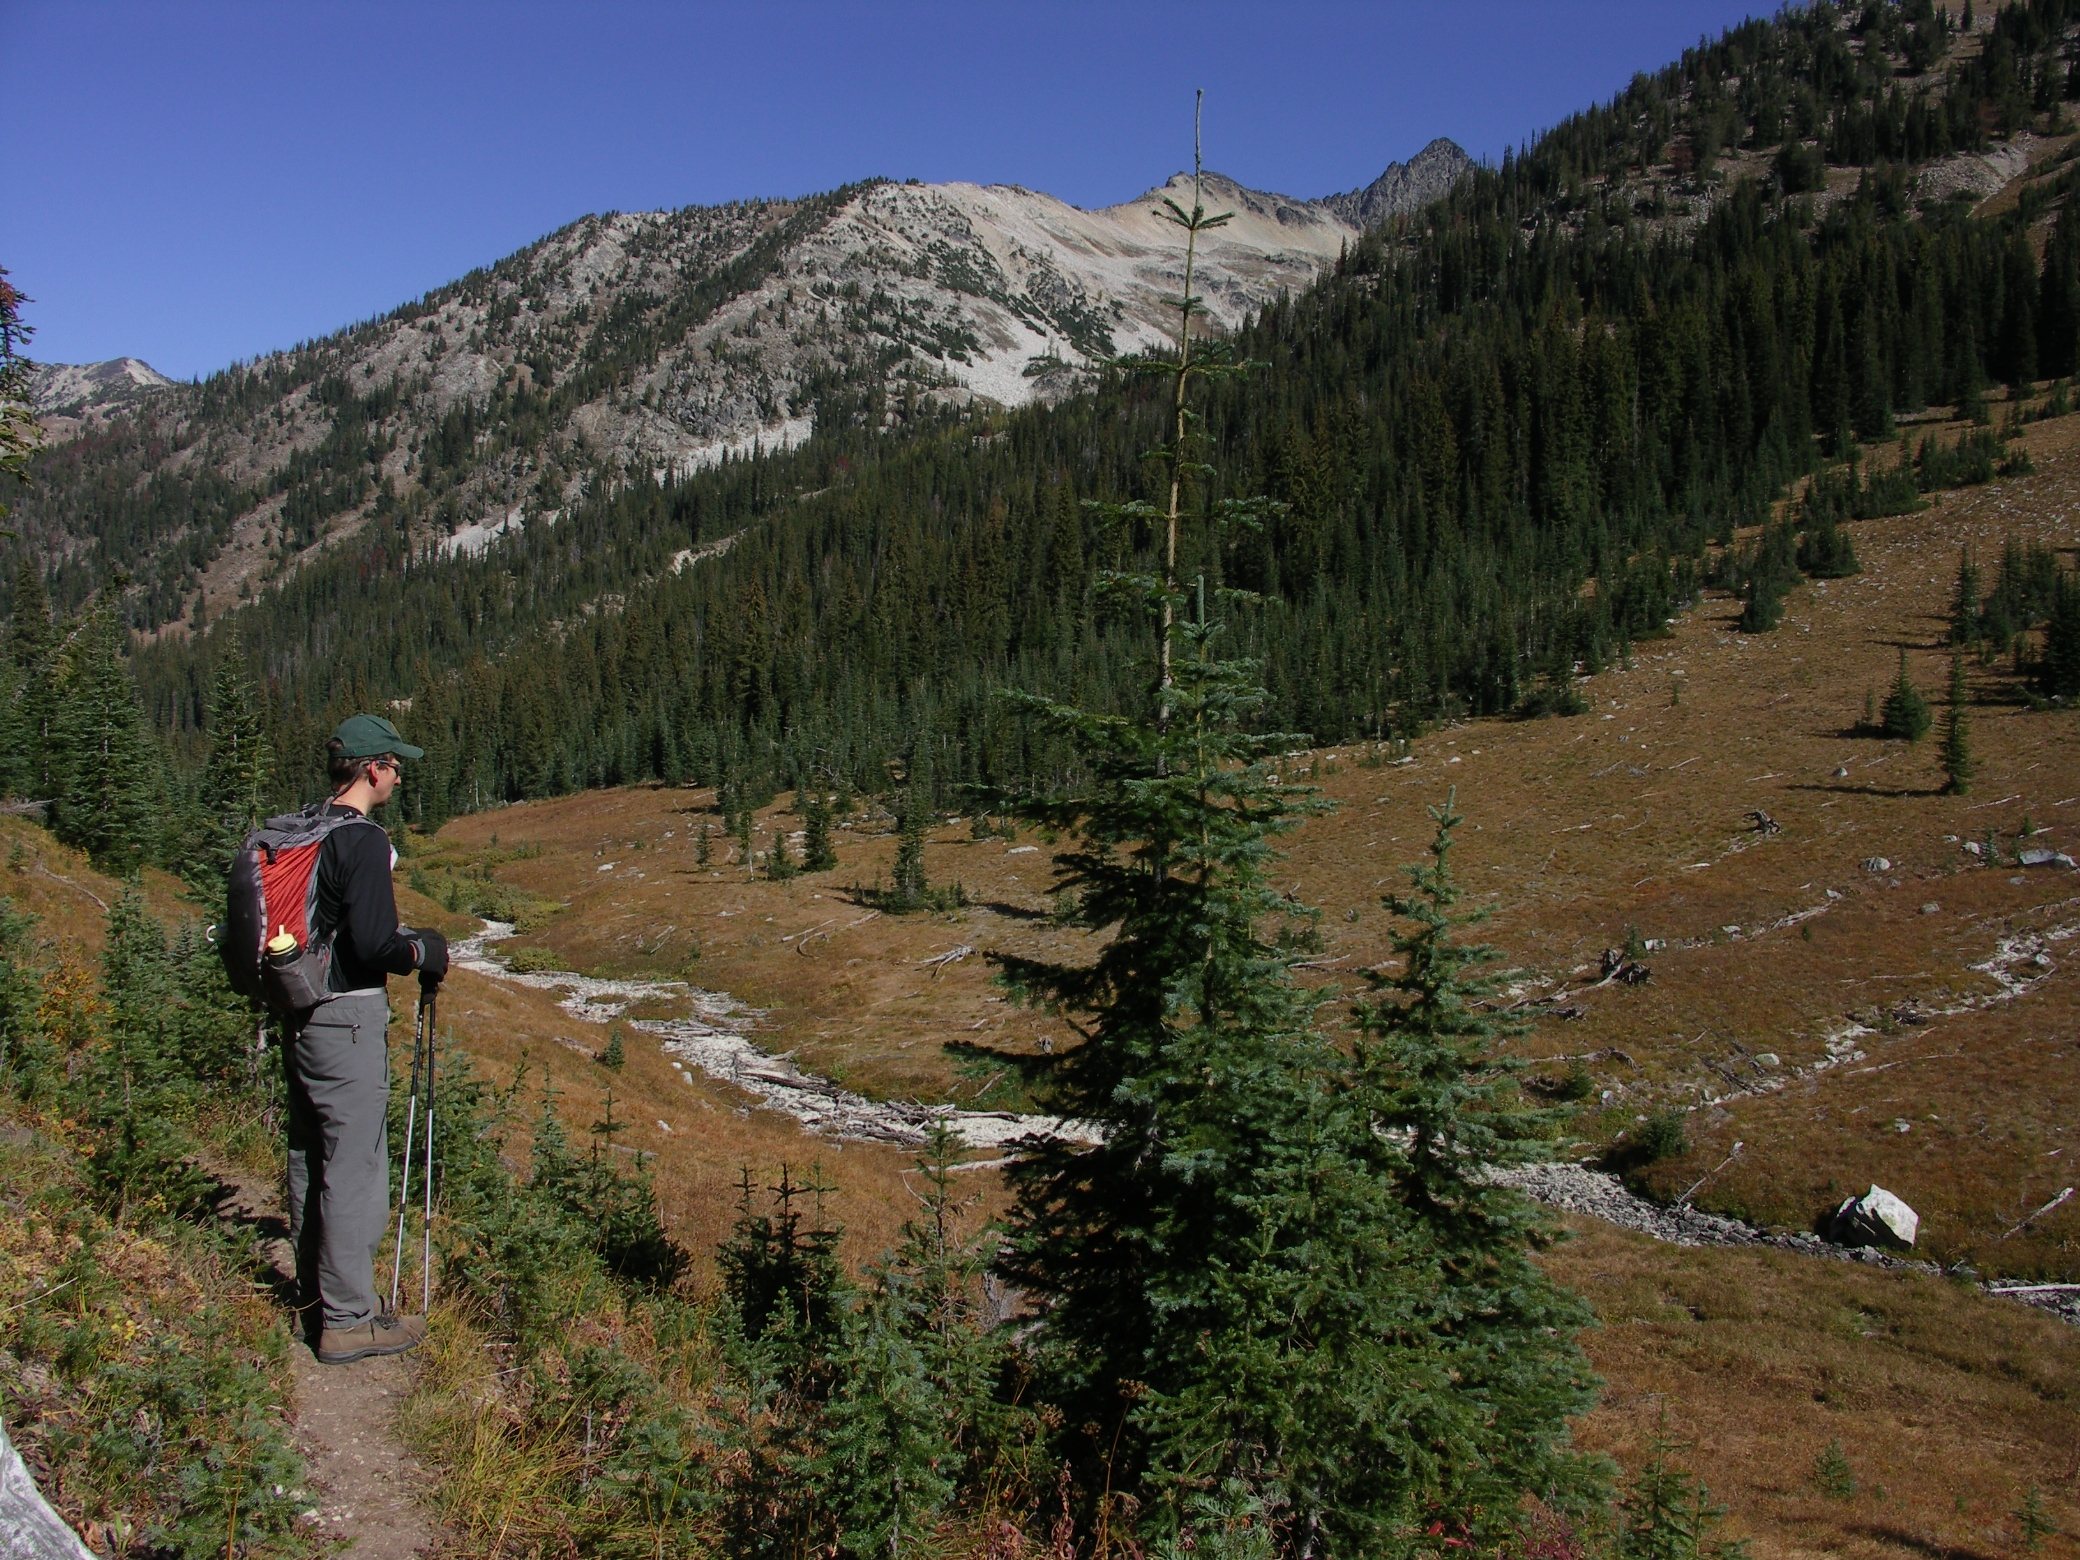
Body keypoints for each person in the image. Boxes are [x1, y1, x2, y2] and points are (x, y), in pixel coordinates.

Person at [284, 713, 450, 1364]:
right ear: (372, 768)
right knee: (355, 1166)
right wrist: (424, 951)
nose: (400, 773)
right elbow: (374, 943)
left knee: (310, 1152)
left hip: (300, 1011)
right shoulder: (360, 840)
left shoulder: (306, 826)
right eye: (395, 763)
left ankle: (314, 1298)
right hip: (346, 1017)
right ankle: (350, 1321)